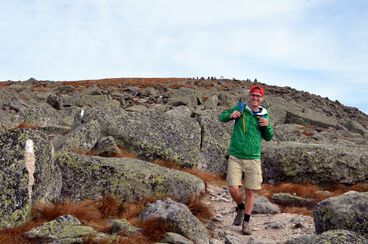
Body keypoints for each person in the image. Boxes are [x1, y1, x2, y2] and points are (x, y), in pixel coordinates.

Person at [219, 84, 273, 235]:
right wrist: (230, 115)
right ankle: (240, 207)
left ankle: (246, 223)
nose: (255, 98)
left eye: (258, 96)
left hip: (253, 158)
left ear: (262, 98)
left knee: (250, 191)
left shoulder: (264, 115)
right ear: (250, 96)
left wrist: (267, 127)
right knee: (233, 187)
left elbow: (268, 137)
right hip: (235, 155)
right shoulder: (241, 108)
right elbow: (221, 117)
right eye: (253, 95)